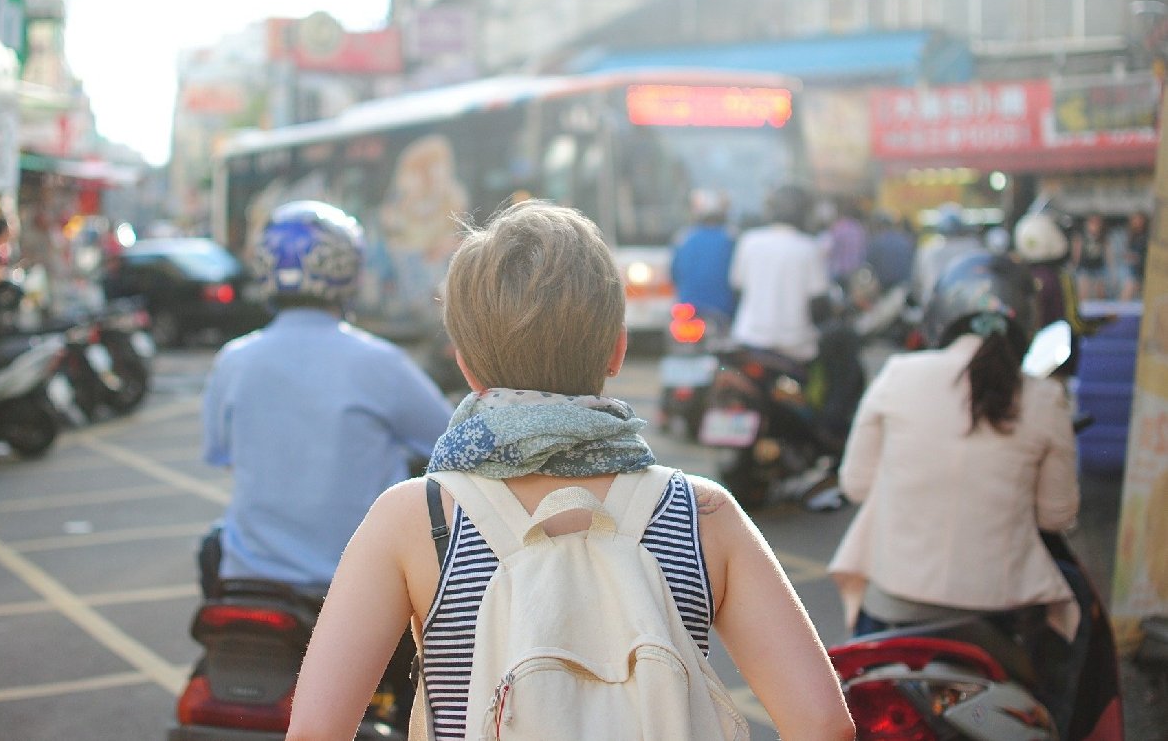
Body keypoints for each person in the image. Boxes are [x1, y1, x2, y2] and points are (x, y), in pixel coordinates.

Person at [284, 200, 854, 741]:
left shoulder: (416, 518)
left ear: (467, 366)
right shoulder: (701, 514)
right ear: (617, 351)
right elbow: (824, 725)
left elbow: (315, 731)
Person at [200, 201, 453, 594]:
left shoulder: (233, 360)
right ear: (349, 271)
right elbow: (450, 443)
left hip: (248, 578)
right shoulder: (378, 362)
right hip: (356, 586)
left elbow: (223, 455)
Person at [828, 250, 1079, 643]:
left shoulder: (898, 375)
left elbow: (856, 485)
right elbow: (1055, 516)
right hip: (998, 612)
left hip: (892, 606)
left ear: (941, 315)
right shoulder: (1045, 398)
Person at [728, 184, 830, 363]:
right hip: (795, 347)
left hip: (749, 340)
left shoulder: (749, 241)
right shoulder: (809, 248)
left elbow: (737, 289)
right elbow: (818, 304)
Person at [1014, 209, 1106, 379]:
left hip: (1025, 361)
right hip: (1055, 364)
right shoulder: (1061, 278)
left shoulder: (1019, 276)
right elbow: (1075, 322)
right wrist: (1102, 323)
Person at [669, 188, 736, 329]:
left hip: (687, 308)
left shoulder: (683, 238)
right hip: (723, 310)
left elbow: (674, 274)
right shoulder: (731, 238)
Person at [910, 202, 982, 309]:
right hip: (964, 305)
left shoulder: (927, 249)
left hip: (937, 306)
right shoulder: (973, 246)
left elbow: (917, 285)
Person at [1072, 213, 1110, 301]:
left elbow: (1107, 252)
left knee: (1100, 291)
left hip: (1098, 267)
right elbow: (1077, 251)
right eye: (1093, 223)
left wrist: (1109, 266)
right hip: (1085, 266)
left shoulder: (1102, 236)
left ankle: (1101, 307)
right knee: (1083, 291)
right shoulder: (1081, 236)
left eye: (1097, 223)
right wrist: (1075, 264)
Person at [1120, 210, 1149, 301]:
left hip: (1143, 269)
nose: (1137, 222)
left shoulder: (1147, 236)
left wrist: (1137, 258)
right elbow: (1123, 254)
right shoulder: (1128, 235)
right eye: (1135, 219)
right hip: (1131, 270)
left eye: (1139, 219)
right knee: (1129, 283)